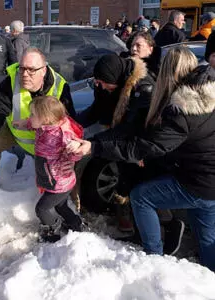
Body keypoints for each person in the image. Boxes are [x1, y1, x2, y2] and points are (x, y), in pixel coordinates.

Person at [69, 45, 215, 271]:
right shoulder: (207, 93)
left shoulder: (181, 111)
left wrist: (94, 147)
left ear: (168, 73)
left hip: (199, 181)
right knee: (206, 235)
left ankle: (152, 260)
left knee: (141, 197)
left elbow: (145, 145)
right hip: (205, 177)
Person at [75, 53, 155, 233]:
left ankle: (147, 224)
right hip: (118, 134)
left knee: (134, 180)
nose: (100, 86)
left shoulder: (142, 88)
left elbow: (128, 128)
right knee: (122, 175)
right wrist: (74, 123)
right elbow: (97, 109)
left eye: (103, 82)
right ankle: (126, 216)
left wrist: (94, 144)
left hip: (139, 142)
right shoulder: (108, 84)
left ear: (114, 78)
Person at [0, 48, 75, 190]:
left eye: (31, 70)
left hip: (49, 139)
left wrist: (70, 156)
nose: (24, 74)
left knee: (61, 175)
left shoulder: (60, 87)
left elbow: (70, 125)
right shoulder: (10, 82)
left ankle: (68, 200)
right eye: (22, 68)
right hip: (16, 130)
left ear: (44, 70)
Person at [12, 96, 84, 242]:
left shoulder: (62, 134)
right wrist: (23, 124)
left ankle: (52, 231)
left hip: (59, 183)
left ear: (45, 118)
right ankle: (75, 224)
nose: (30, 117)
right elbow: (34, 124)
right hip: (57, 179)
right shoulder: (45, 126)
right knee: (60, 206)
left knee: (42, 209)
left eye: (32, 114)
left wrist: (76, 148)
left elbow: (77, 151)